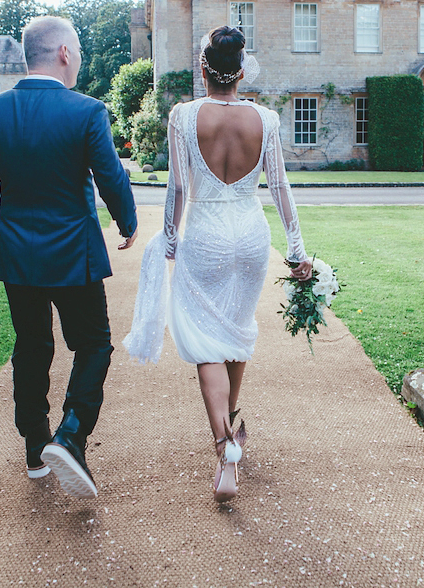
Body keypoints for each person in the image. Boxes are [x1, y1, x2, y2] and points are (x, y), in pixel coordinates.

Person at [124, 25, 311, 504]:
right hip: (250, 236)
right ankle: (231, 427)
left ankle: (225, 449)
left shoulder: (184, 116)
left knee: (207, 341)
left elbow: (179, 188)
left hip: (205, 234)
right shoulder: (265, 120)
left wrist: (168, 237)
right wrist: (296, 250)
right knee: (236, 330)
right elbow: (281, 188)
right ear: (241, 71)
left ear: (204, 69)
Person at [0, 16, 138, 499]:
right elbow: (110, 176)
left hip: (17, 254)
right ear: (63, 53)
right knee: (95, 344)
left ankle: (35, 446)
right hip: (74, 255)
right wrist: (127, 222)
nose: (79, 59)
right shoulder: (86, 111)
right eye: (78, 50)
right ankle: (71, 434)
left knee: (32, 346)